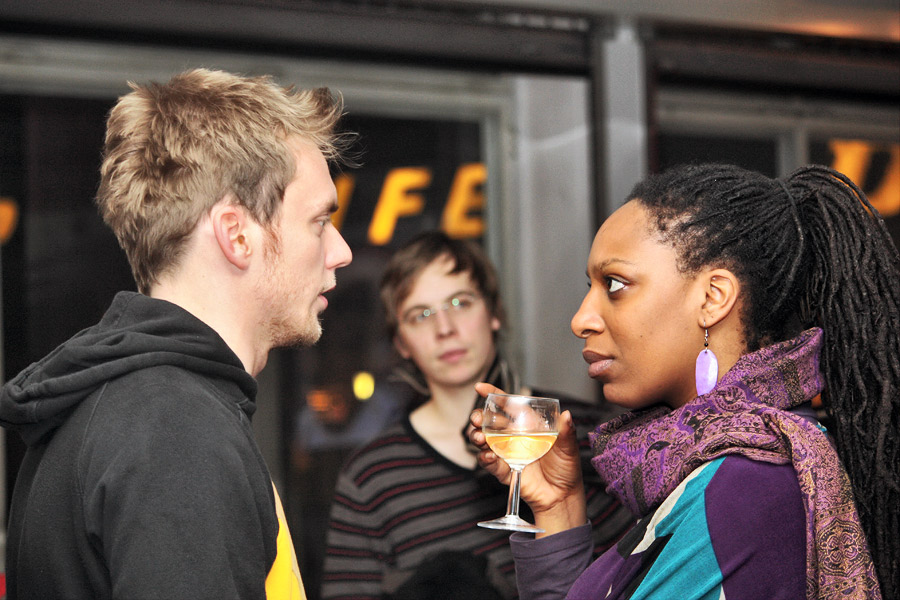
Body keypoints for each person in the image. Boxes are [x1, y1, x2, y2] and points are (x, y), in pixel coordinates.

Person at [0, 68, 354, 600]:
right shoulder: (176, 432)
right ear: (237, 235)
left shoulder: (132, 405)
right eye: (320, 222)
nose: (341, 251)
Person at [468, 163, 898, 599]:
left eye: (615, 284)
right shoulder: (720, 461)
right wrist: (558, 507)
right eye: (590, 286)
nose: (581, 319)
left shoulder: (745, 485)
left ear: (713, 298)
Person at [321, 231, 634, 600]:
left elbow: (642, 571)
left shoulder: (590, 432)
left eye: (460, 302)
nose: (445, 328)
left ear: (494, 313)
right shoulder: (371, 475)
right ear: (401, 343)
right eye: (420, 315)